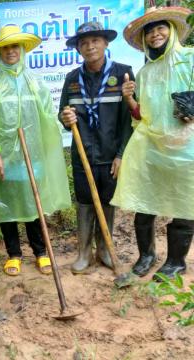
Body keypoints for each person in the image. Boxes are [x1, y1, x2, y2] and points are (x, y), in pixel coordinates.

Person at [0, 25, 71, 276]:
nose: (11, 51)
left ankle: (40, 252)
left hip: (33, 154)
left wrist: (51, 148)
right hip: (4, 156)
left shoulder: (36, 83)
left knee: (34, 201)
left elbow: (47, 118)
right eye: (6, 47)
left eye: (15, 46)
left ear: (22, 50)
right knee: (6, 205)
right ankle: (13, 254)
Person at [112, 6, 194, 280]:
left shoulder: (190, 59)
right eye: (150, 31)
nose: (155, 35)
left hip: (187, 148)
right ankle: (147, 255)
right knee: (145, 203)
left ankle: (176, 261)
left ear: (171, 31)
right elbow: (141, 116)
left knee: (185, 205)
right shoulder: (145, 72)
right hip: (153, 147)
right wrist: (129, 99)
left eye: (160, 28)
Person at [59, 22, 134, 274]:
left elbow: (128, 121)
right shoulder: (72, 79)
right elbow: (63, 115)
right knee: (84, 203)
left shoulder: (123, 73)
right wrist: (66, 118)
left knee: (107, 203)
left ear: (105, 43)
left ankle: (104, 250)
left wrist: (122, 154)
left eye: (95, 41)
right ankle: (83, 253)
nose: (90, 46)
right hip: (82, 156)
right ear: (78, 48)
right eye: (84, 43)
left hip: (110, 155)